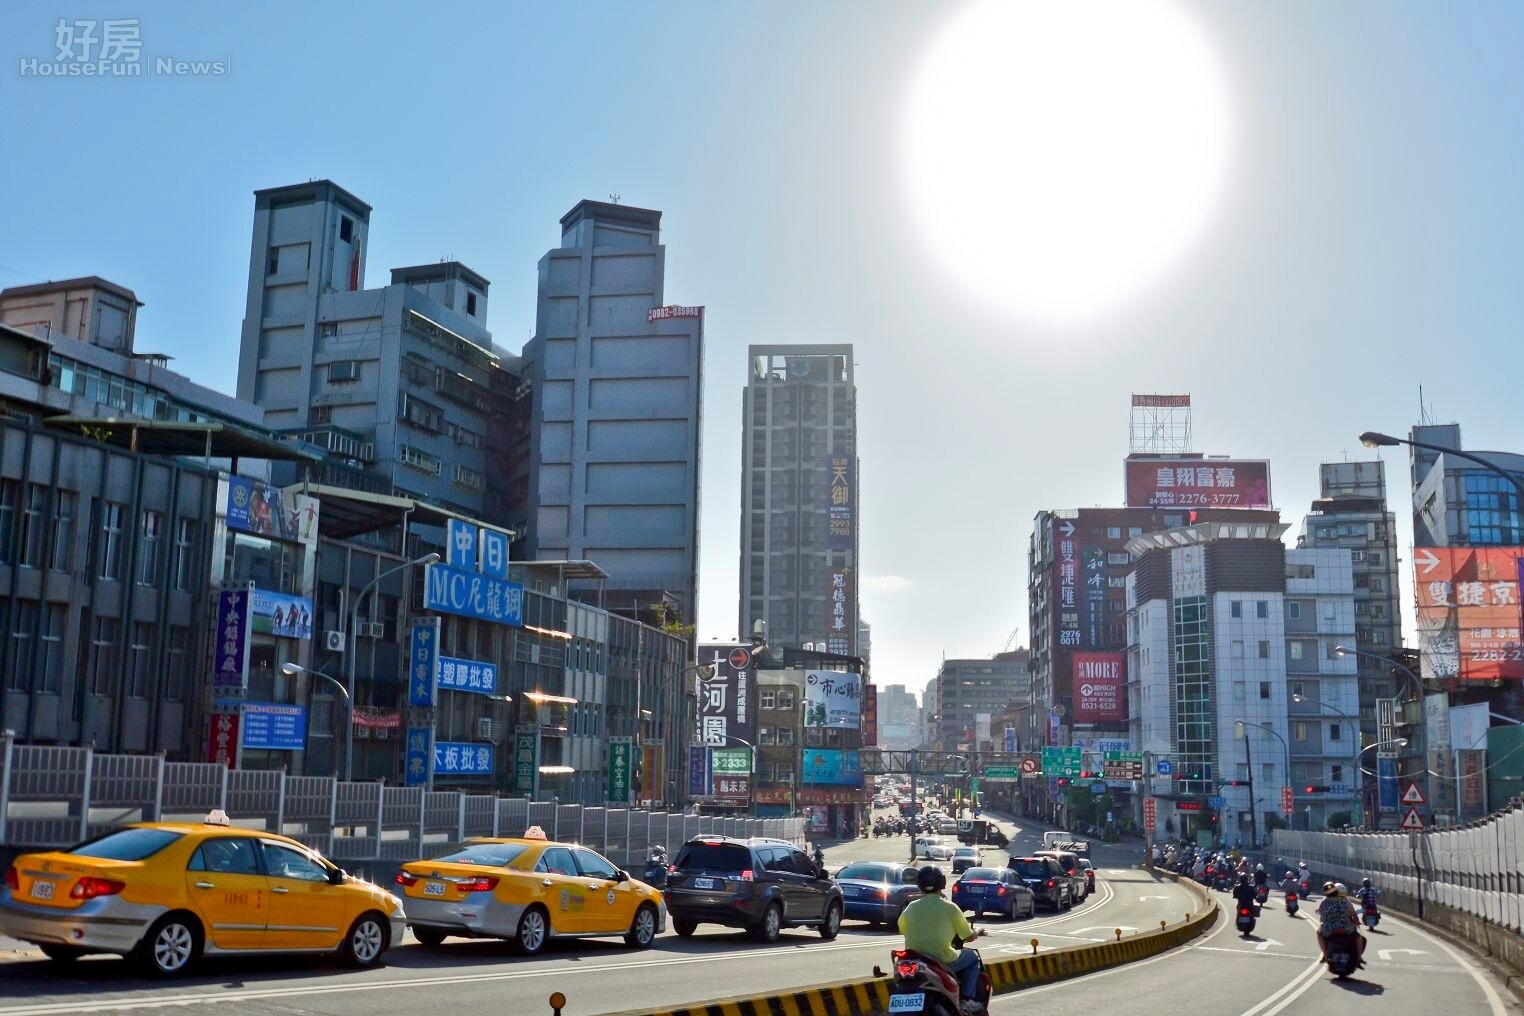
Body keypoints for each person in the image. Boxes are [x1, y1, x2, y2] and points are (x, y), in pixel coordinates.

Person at [898, 866, 987, 1014]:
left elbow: (902, 928)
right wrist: (975, 933)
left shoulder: (911, 908)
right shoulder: (951, 908)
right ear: (942, 883)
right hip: (942, 959)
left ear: (919, 885)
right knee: (973, 957)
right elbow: (968, 936)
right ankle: (967, 1000)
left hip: (916, 960)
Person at [1315, 881, 1365, 966]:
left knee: (1319, 933)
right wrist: (1356, 921)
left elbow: (1320, 911)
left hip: (1328, 929)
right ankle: (1359, 957)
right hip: (1346, 928)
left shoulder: (1324, 902)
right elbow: (1353, 914)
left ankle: (1325, 954)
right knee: (1358, 937)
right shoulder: (1346, 902)